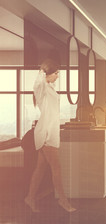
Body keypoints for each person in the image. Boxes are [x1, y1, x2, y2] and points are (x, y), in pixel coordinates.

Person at [24, 58, 76, 213]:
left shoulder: (50, 87)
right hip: (46, 134)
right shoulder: (41, 88)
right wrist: (43, 69)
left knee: (40, 169)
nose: (58, 76)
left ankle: (29, 198)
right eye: (56, 73)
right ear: (47, 73)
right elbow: (38, 82)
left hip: (51, 132)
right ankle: (63, 201)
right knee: (56, 168)